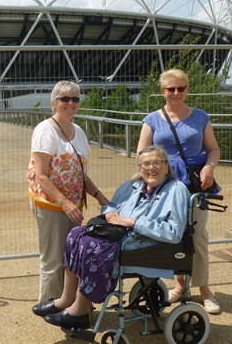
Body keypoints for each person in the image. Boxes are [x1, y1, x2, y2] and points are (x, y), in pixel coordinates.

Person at [32, 145, 189, 329]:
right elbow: (111, 205)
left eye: (156, 163)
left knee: (92, 245)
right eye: (146, 164)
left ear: (166, 166)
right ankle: (67, 298)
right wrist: (110, 213)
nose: (151, 168)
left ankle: (80, 311)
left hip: (146, 242)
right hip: (120, 234)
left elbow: (174, 232)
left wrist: (134, 223)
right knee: (75, 235)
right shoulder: (133, 185)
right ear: (139, 168)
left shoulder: (176, 189)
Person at [137, 68, 222, 314]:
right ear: (163, 91)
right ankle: (179, 284)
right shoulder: (152, 119)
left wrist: (209, 167)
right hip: (163, 185)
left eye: (180, 88)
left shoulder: (200, 118)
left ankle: (204, 289)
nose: (175, 93)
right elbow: (142, 154)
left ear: (187, 89)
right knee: (171, 235)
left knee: (197, 236)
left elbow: (213, 149)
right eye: (170, 89)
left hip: (195, 185)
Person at [27, 80, 109, 304]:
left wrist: (100, 197)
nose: (71, 103)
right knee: (53, 258)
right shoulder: (45, 130)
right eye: (65, 99)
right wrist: (65, 203)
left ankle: (69, 303)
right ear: (54, 102)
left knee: (72, 256)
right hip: (52, 204)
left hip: (73, 205)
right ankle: (49, 305)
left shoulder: (79, 132)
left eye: (75, 99)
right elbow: (41, 175)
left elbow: (80, 174)